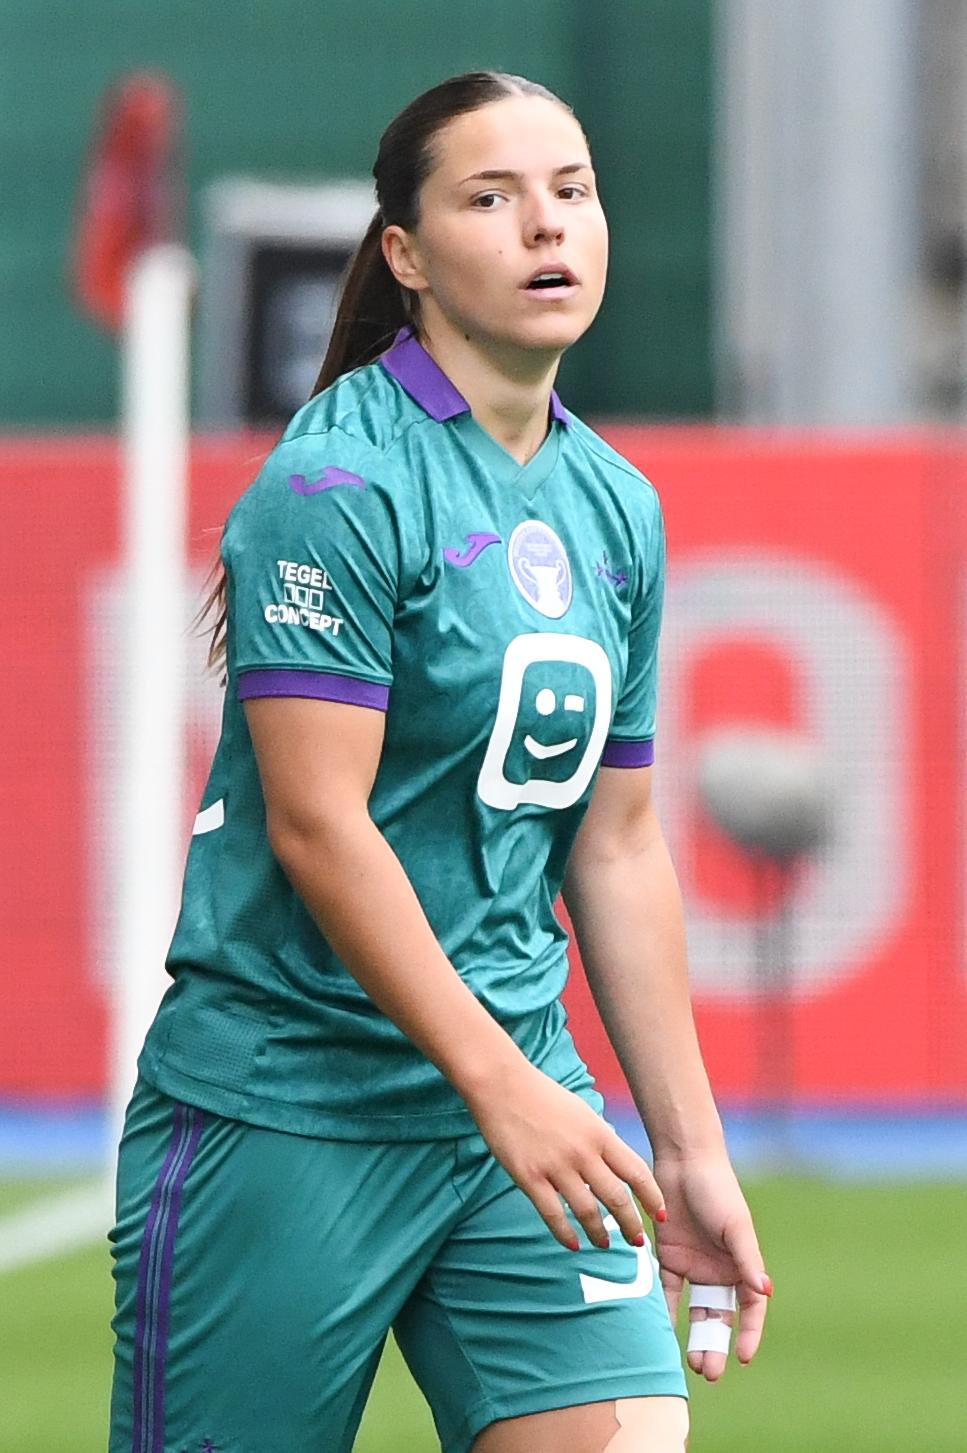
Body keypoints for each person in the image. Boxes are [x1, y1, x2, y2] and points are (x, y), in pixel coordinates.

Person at [108, 70, 771, 1453]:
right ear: (403, 254)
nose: (549, 227)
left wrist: (689, 1144)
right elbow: (318, 827)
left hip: (514, 1095)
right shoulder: (335, 485)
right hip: (285, 1107)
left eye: (572, 192)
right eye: (494, 196)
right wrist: (504, 1085)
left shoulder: (616, 505)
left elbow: (617, 838)